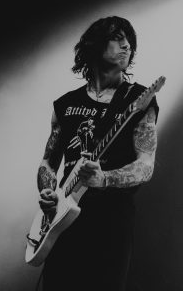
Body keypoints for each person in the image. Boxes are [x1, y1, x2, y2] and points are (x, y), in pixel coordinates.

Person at [36, 16, 159, 290]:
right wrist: (47, 191)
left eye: (129, 41)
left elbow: (145, 165)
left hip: (110, 223)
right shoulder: (66, 105)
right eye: (117, 38)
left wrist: (104, 178)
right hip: (62, 220)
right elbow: (48, 162)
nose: (126, 45)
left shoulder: (137, 100)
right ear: (94, 46)